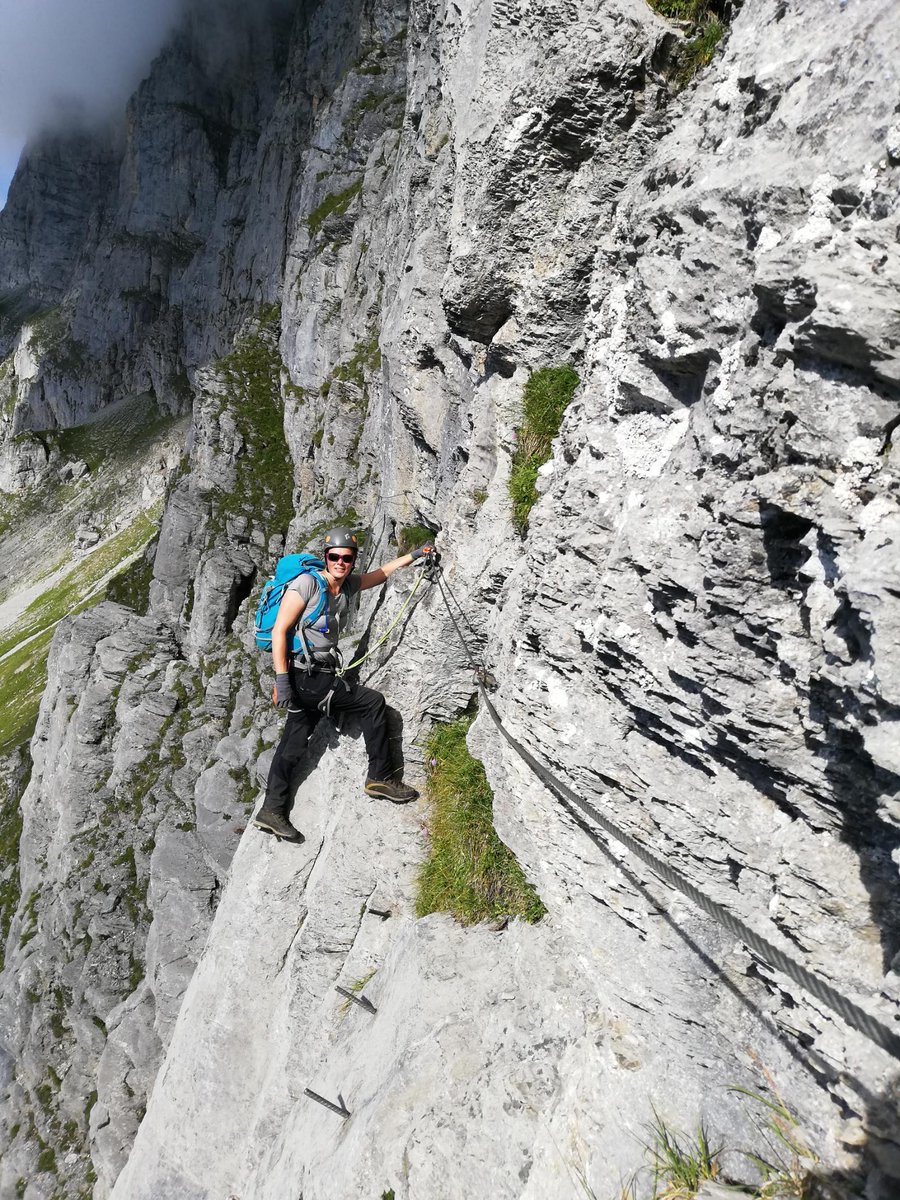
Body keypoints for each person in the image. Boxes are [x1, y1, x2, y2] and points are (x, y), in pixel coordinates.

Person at [253, 526, 434, 842]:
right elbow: (281, 631)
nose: (340, 562)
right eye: (334, 556)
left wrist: (415, 555)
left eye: (346, 558)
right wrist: (282, 682)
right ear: (326, 557)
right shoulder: (306, 584)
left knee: (293, 743)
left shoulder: (347, 585)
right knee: (372, 702)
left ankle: (271, 809)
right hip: (305, 677)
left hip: (312, 677)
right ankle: (380, 777)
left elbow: (378, 575)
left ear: (352, 561)